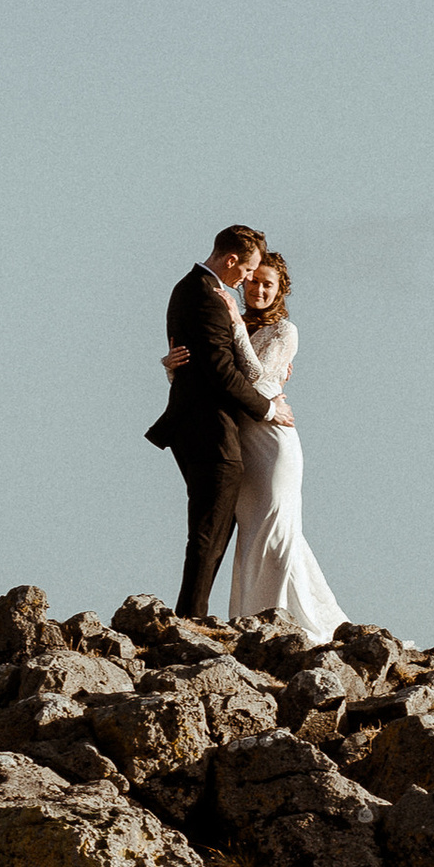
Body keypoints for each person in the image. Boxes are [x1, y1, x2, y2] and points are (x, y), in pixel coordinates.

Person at [158, 242, 346, 644]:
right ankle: (250, 619)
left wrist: (238, 330)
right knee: (250, 534)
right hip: (239, 440)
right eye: (254, 282)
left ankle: (288, 621)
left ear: (281, 290)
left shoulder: (284, 331)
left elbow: (258, 379)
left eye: (268, 285)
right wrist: (171, 369)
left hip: (272, 441)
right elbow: (214, 374)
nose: (258, 290)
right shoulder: (228, 317)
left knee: (277, 528)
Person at [145, 226, 290, 619]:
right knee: (210, 529)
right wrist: (270, 409)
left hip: (212, 426)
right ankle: (191, 617)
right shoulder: (207, 297)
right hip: (210, 428)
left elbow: (206, 363)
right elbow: (221, 372)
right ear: (230, 261)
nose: (248, 282)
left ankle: (196, 613)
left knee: (220, 526)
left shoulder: (190, 289)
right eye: (247, 272)